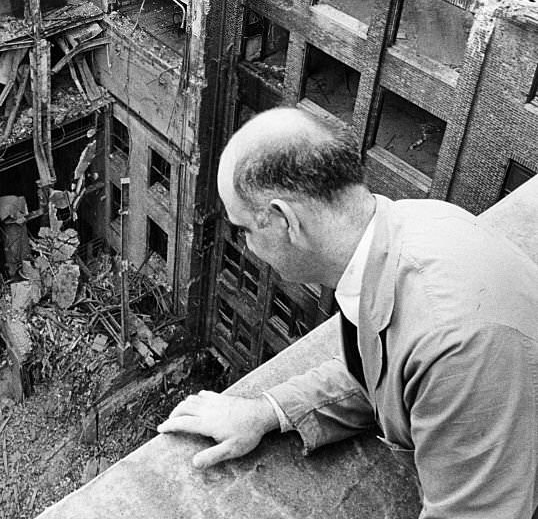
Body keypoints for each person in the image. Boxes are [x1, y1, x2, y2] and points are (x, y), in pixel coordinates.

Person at [158, 108, 538, 518]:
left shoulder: (457, 346)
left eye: (245, 229)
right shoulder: (412, 223)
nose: (246, 245)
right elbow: (384, 367)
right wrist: (268, 411)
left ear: (286, 220)